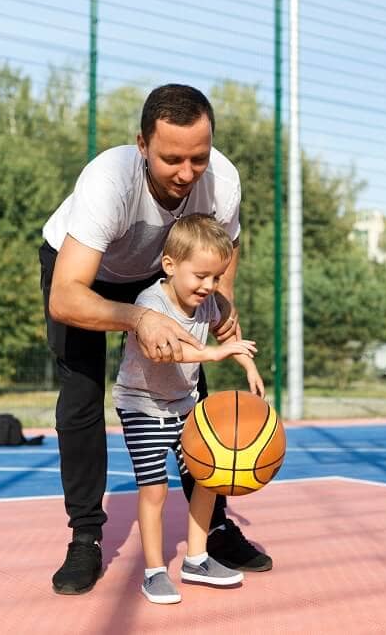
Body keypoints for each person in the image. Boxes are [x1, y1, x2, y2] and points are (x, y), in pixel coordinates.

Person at [39, 84, 272, 596]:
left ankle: (210, 531)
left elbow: (222, 252)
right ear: (142, 144)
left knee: (194, 388)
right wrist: (138, 320)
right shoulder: (109, 180)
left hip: (156, 270)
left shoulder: (223, 181)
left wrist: (220, 309)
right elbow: (66, 298)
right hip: (83, 275)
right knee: (80, 394)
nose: (187, 173)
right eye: (171, 159)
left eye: (198, 158)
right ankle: (85, 538)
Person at [114, 214, 265, 604]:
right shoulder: (151, 302)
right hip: (143, 407)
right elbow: (167, 351)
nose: (209, 286)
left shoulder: (208, 302)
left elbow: (227, 331)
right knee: (155, 490)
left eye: (215, 277)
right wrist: (214, 354)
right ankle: (153, 572)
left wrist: (247, 363)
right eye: (200, 276)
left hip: (185, 406)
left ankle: (196, 559)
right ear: (170, 265)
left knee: (207, 478)